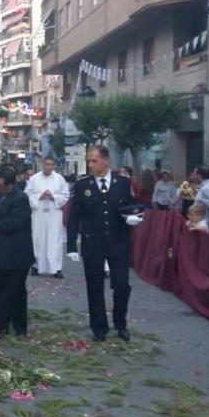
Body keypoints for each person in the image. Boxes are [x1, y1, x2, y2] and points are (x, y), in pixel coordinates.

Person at [67, 146, 143, 342]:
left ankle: (120, 323)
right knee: (95, 285)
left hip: (118, 241)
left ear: (106, 161)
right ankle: (99, 327)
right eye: (89, 161)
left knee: (122, 285)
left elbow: (130, 207)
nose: (91, 165)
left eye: (95, 161)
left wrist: (133, 218)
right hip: (93, 242)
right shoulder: (83, 185)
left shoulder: (123, 183)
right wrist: (71, 246)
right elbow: (74, 216)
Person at [0, 167, 33, 340]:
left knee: (16, 291)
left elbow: (13, 223)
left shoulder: (21, 199)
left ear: (9, 186)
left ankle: (20, 327)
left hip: (15, 254)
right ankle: (1, 325)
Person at [25, 157, 69, 278]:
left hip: (54, 213)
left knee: (55, 240)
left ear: (53, 166)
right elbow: (27, 194)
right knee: (37, 239)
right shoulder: (34, 179)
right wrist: (40, 196)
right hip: (38, 213)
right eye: (46, 164)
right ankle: (36, 265)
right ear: (43, 165)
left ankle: (56, 268)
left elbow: (65, 195)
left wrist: (53, 196)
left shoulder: (59, 179)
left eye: (51, 165)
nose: (48, 167)